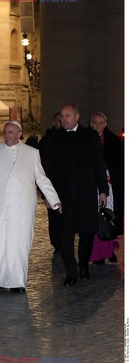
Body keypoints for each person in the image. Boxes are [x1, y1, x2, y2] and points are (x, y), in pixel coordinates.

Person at [0, 121, 61, 293]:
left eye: (11, 132)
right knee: (0, 243)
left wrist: (54, 199)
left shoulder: (32, 153)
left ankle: (17, 282)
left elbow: (41, 178)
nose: (7, 135)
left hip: (23, 207)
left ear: (19, 134)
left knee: (20, 244)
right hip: (2, 207)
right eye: (5, 132)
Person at [40, 104, 108, 286]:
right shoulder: (53, 139)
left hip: (85, 193)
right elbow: (46, 171)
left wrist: (103, 190)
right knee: (65, 234)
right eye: (62, 116)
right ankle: (71, 271)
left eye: (68, 115)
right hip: (63, 196)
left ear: (77, 117)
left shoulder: (90, 136)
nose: (64, 119)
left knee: (87, 231)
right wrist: (47, 195)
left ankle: (84, 265)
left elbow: (99, 163)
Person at [89, 112, 124, 265]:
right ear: (90, 124)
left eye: (101, 123)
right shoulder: (85, 139)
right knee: (95, 219)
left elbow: (119, 165)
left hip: (110, 185)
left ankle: (109, 251)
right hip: (91, 185)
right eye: (95, 123)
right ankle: (98, 254)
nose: (98, 126)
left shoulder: (113, 141)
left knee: (108, 216)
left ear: (105, 124)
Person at [39, 112, 62, 257]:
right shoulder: (46, 142)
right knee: (54, 219)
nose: (63, 122)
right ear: (54, 122)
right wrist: (44, 194)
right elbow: (42, 170)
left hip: (68, 188)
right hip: (51, 186)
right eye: (60, 120)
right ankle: (57, 245)